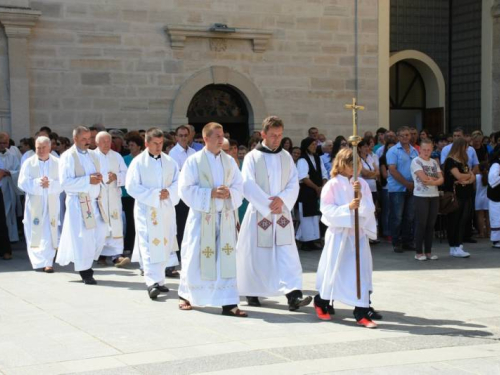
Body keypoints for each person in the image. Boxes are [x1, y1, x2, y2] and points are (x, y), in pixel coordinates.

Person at [237, 116, 312, 311]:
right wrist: (269, 204)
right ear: (263, 134)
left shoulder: (286, 156)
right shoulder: (252, 157)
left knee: (287, 253)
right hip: (259, 213)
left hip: (281, 214)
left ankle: (293, 294)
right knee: (257, 254)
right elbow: (247, 184)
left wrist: (283, 200)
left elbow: (293, 183)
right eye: (272, 136)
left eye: (279, 135)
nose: (276, 140)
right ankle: (253, 292)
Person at [177, 122, 247, 317]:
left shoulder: (230, 161)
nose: (221, 139)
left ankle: (228, 302)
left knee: (226, 258)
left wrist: (230, 193)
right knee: (195, 256)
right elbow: (184, 189)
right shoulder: (194, 161)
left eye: (222, 135)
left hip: (224, 217)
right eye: (216, 135)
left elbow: (239, 186)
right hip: (202, 217)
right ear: (206, 138)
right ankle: (187, 295)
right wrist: (211, 193)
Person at [314, 148, 380, 327]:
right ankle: (321, 301)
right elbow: (326, 210)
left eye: (358, 164)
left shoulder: (362, 184)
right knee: (335, 270)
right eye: (353, 164)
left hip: (357, 235)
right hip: (339, 235)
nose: (356, 168)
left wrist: (360, 197)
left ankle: (362, 311)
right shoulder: (332, 184)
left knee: (361, 272)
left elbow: (369, 208)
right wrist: (348, 208)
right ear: (342, 164)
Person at [125, 128, 180, 299]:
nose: (158, 147)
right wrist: (156, 195)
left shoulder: (170, 162)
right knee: (149, 245)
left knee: (165, 243)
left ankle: (160, 280)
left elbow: (179, 182)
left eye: (161, 143)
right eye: (155, 144)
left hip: (166, 209)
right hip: (147, 210)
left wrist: (169, 192)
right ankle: (151, 283)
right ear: (147, 143)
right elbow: (131, 186)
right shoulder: (138, 162)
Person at [56, 126, 108, 284]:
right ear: (75, 139)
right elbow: (65, 183)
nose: (88, 142)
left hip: (95, 201)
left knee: (101, 232)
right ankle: (85, 271)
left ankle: (86, 260)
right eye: (84, 139)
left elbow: (98, 175)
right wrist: (88, 180)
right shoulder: (68, 157)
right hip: (79, 203)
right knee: (83, 237)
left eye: (89, 138)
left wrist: (100, 178)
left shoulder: (93, 155)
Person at [18, 136, 62, 272]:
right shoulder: (28, 163)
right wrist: (37, 183)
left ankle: (48, 261)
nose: (41, 150)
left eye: (44, 147)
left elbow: (63, 182)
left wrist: (50, 184)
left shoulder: (58, 162)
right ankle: (37, 261)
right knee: (34, 230)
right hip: (34, 203)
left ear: (50, 147)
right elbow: (22, 182)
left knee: (50, 230)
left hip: (51, 201)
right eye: (38, 148)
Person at [93, 131, 130, 268]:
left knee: (116, 223)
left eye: (108, 141)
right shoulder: (92, 157)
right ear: (96, 143)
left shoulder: (117, 156)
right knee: (101, 224)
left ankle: (116, 255)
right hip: (99, 196)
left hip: (113, 195)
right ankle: (100, 255)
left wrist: (116, 177)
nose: (106, 144)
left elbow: (126, 174)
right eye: (103, 141)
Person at [168, 125, 196, 277]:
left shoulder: (193, 152)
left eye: (186, 135)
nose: (184, 138)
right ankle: (178, 257)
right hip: (179, 196)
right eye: (181, 135)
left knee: (190, 226)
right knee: (180, 226)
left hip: (192, 194)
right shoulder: (173, 153)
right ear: (176, 137)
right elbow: (177, 174)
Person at [386, 126, 419, 253]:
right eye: (402, 135)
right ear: (398, 137)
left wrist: (414, 183)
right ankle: (396, 242)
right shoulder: (393, 151)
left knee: (410, 216)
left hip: (412, 188)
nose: (405, 137)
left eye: (407, 135)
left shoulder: (415, 151)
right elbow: (392, 170)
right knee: (397, 217)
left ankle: (407, 241)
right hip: (398, 189)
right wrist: (406, 183)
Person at [410, 139, 443, 261]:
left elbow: (441, 179)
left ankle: (428, 251)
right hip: (421, 196)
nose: (426, 152)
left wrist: (433, 179)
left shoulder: (434, 162)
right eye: (424, 149)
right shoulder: (416, 161)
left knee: (430, 225)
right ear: (420, 149)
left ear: (432, 150)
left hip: (434, 195)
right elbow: (423, 179)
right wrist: (435, 179)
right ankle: (418, 252)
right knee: (421, 224)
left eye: (429, 150)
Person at [442, 138, 475, 258]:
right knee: (454, 220)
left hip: (466, 193)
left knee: (463, 220)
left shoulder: (463, 161)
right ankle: (453, 246)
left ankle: (459, 244)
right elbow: (459, 175)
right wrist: (468, 177)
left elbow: (471, 177)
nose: (467, 149)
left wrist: (467, 180)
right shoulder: (451, 161)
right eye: (465, 147)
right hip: (455, 195)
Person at [296, 137, 328, 250]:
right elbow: (303, 177)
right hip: (306, 192)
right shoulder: (302, 160)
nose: (314, 146)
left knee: (315, 217)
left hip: (317, 192)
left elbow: (324, 174)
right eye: (312, 144)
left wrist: (322, 186)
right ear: (306, 146)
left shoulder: (318, 158)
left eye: (315, 144)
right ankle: (305, 242)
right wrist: (316, 188)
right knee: (307, 218)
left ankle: (313, 239)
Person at [122, 131, 144, 254]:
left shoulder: (143, 159)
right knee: (130, 221)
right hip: (127, 194)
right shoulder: (124, 159)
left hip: (140, 194)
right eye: (129, 145)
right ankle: (128, 246)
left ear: (139, 146)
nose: (130, 147)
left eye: (133, 145)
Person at [0, 132, 20, 244]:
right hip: (1, 187)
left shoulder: (12, 156)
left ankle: (10, 238)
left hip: (8, 188)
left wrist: (8, 173)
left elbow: (18, 171)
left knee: (9, 212)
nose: (3, 145)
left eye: (5, 143)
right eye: (0, 143)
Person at [379, 138, 397, 240]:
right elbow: (385, 175)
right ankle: (386, 231)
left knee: (395, 212)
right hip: (387, 187)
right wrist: (394, 172)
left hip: (397, 187)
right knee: (387, 211)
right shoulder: (383, 159)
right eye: (389, 147)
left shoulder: (397, 157)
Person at [488, 151, 500, 248]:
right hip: (496, 195)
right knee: (497, 217)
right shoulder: (496, 164)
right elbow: (492, 179)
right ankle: (497, 240)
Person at [475, 162, 490, 238]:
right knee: (488, 216)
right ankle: (489, 232)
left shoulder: (477, 177)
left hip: (478, 198)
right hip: (488, 198)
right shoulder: (489, 177)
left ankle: (481, 233)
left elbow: (474, 187)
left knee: (480, 216)